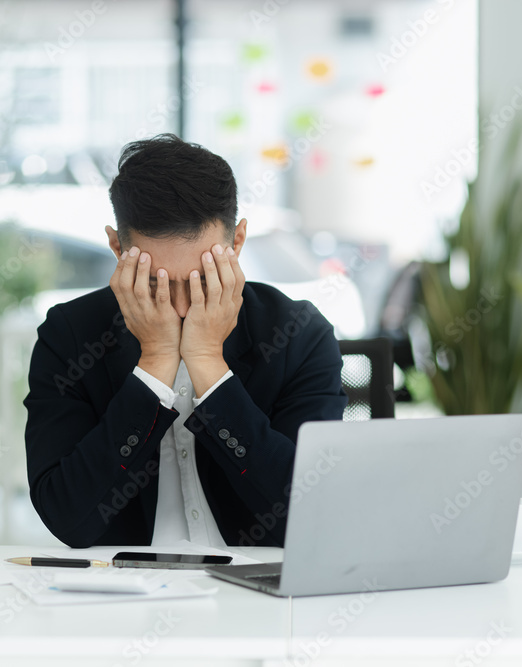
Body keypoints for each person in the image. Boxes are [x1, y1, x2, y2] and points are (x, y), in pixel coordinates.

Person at [24, 134, 347, 548]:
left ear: (237, 243)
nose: (179, 307)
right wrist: (154, 363)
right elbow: (68, 519)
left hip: (259, 592)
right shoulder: (69, 335)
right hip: (124, 591)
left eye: (199, 280)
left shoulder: (299, 333)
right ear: (117, 247)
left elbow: (310, 515)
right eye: (156, 282)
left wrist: (209, 365)